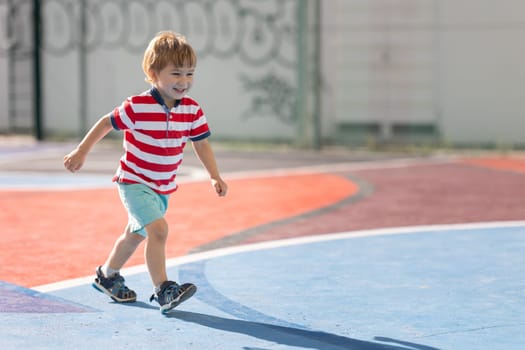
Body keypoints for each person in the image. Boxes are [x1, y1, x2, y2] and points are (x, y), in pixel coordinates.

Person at [63, 31, 228, 314]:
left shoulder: (191, 110)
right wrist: (81, 151)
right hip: (134, 181)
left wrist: (215, 175)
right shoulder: (137, 107)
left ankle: (108, 275)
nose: (184, 81)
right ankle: (163, 289)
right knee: (159, 230)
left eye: (190, 74)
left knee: (135, 235)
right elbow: (107, 122)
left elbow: (201, 144)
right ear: (153, 73)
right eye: (176, 73)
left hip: (162, 188)